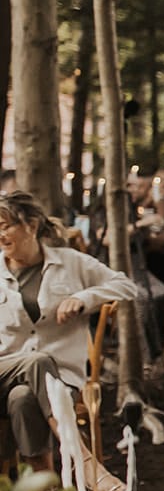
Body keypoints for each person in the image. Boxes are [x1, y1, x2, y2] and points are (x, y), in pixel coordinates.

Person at [0, 192, 137, 472]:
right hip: (5, 371)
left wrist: (85, 297)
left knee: (23, 398)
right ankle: (83, 461)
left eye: (5, 226)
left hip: (61, 379)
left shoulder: (71, 263)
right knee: (36, 361)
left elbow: (126, 286)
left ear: (32, 225)